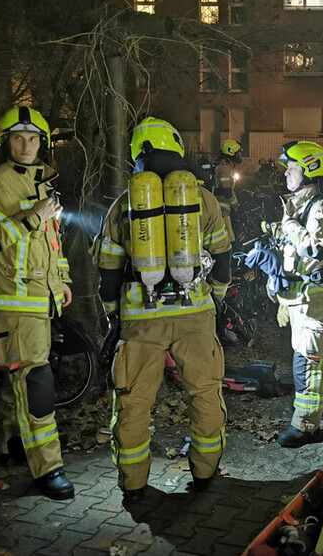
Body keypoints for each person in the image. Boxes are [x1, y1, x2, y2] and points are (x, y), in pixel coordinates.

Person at [96, 117, 232, 500]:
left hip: (141, 319)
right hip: (195, 314)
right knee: (204, 394)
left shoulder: (125, 205)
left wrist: (113, 314)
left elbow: (107, 270)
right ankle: (205, 475)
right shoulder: (202, 199)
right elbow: (222, 257)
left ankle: (134, 486)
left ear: (139, 154)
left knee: (134, 402)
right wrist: (215, 299)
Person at [0, 105, 74, 500]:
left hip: (40, 300)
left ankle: (14, 444)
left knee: (20, 376)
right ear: (5, 142)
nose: (26, 145)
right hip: (13, 301)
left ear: (42, 143)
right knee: (35, 382)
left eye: (33, 139)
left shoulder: (45, 181)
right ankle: (49, 469)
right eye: (18, 138)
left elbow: (52, 243)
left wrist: (62, 280)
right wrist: (31, 217)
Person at [257, 141, 323, 447]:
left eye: (292, 168)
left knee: (308, 360)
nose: (286, 174)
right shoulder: (299, 206)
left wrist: (289, 225)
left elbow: (318, 249)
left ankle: (306, 424)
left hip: (316, 295)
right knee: (322, 356)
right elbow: (290, 250)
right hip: (300, 295)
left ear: (309, 170)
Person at [212, 139, 243, 246]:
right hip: (222, 206)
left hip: (222, 205)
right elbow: (227, 190)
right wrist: (236, 203)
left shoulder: (225, 166)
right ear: (230, 152)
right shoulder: (224, 168)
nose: (239, 156)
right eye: (238, 153)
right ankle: (233, 257)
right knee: (229, 236)